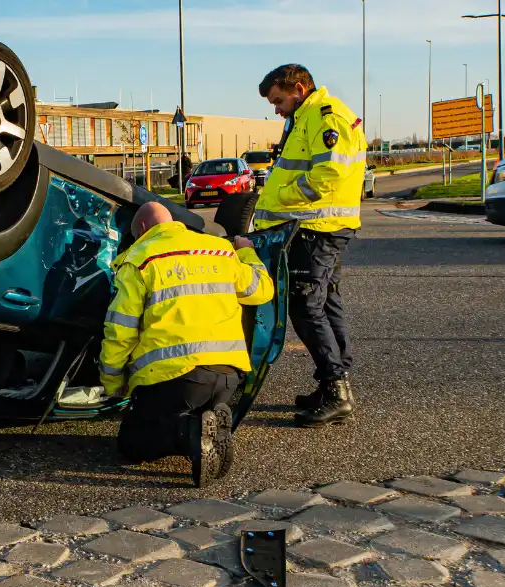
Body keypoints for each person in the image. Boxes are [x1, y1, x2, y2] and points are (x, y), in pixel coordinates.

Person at [99, 202, 274, 487]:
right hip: (228, 377)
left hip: (175, 378)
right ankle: (205, 427)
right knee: (186, 408)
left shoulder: (140, 259)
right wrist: (246, 251)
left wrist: (112, 383)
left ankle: (190, 431)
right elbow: (261, 290)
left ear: (142, 229)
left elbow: (120, 331)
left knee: (131, 444)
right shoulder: (219, 249)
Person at [254, 64, 365, 428]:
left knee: (306, 307)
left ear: (299, 88)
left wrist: (284, 198)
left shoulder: (325, 116)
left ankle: (336, 391)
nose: (276, 108)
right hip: (316, 228)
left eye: (278, 100)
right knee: (325, 303)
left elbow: (329, 173)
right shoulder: (308, 116)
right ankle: (335, 385)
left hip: (317, 229)